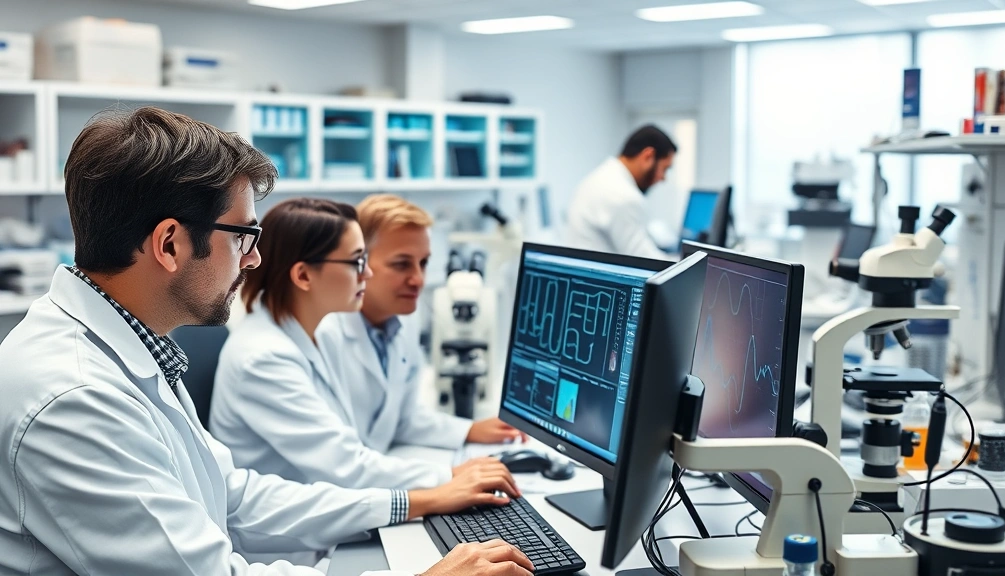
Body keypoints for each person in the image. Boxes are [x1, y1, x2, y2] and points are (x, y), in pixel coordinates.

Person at [0, 107, 532, 576]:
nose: (254, 259)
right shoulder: (74, 397)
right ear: (169, 244)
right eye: (244, 237)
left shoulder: (134, 348)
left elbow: (233, 495)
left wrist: (414, 502)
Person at [213, 194, 524, 492]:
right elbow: (346, 465)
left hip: (338, 501)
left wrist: (466, 435)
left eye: (424, 263)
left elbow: (389, 424)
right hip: (295, 534)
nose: (368, 273)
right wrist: (450, 477)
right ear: (304, 276)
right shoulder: (267, 355)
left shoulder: (308, 333)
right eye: (358, 261)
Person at [565, 124, 677, 259]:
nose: (663, 178)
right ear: (648, 156)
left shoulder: (602, 177)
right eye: (664, 169)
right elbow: (645, 260)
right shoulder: (623, 195)